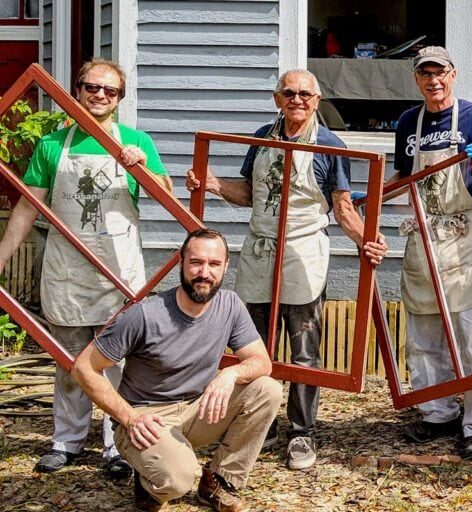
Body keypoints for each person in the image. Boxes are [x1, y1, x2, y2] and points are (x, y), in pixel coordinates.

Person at [185, 69, 387, 471]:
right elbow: (250, 193)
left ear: (317, 99)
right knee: (252, 344)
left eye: (305, 94)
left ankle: (301, 432)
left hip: (303, 251)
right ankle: (255, 424)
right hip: (261, 249)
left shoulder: (330, 145)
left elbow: (342, 206)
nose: (298, 100)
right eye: (289, 93)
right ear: (277, 98)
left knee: (303, 349)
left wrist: (367, 240)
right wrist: (212, 184)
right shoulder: (262, 138)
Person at [0, 58, 171, 478]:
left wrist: (141, 167)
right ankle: (67, 440)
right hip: (68, 269)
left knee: (116, 360)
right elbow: (27, 207)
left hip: (118, 270)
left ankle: (118, 444)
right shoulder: (52, 145)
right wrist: (1, 257)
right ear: (77, 90)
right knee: (69, 359)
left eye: (109, 90)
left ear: (120, 98)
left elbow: (167, 195)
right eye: (91, 87)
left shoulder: (137, 141)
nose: (99, 95)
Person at [71, 229, 281, 512]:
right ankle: (149, 481)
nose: (204, 272)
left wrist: (229, 374)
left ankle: (219, 481)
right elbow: (83, 368)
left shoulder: (230, 305)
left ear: (225, 267)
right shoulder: (145, 315)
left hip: (197, 409)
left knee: (267, 390)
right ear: (181, 262)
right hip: (146, 418)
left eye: (214, 264)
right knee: (178, 480)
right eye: (196, 262)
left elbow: (261, 362)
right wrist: (129, 418)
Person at [389, 46, 472, 461]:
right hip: (424, 236)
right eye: (425, 74)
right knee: (423, 335)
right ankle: (437, 413)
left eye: (439, 73)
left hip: (465, 236)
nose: (433, 81)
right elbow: (404, 174)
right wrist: (370, 195)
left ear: (453, 74)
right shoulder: (408, 122)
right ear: (417, 79)